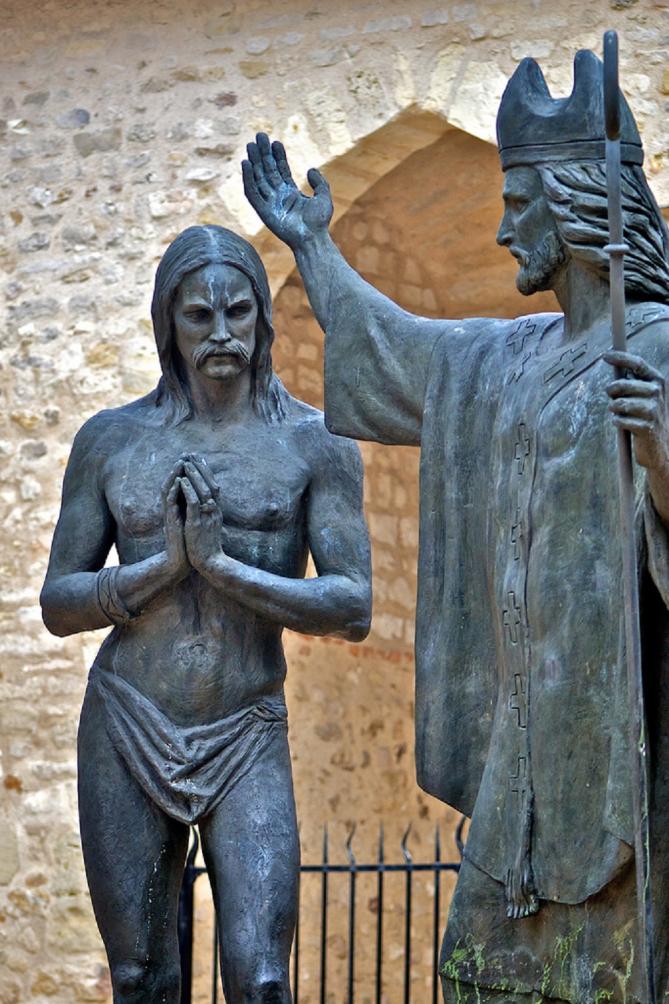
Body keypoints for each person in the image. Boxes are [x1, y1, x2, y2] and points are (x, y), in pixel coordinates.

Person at [243, 49, 669, 1003]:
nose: (505, 224)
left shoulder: (658, 352)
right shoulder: (503, 359)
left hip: (616, 756)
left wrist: (662, 458)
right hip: (520, 750)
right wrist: (315, 248)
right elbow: (400, 353)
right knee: (480, 975)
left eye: (522, 201)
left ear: (578, 206)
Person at [40, 225, 371, 1004]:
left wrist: (223, 567)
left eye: (238, 313)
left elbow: (351, 604)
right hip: (127, 721)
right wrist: (165, 567)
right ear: (169, 323)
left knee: (259, 978)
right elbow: (59, 602)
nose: (221, 332)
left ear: (262, 319)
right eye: (199, 315)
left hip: (244, 726)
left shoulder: (313, 441)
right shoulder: (112, 441)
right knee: (140, 975)